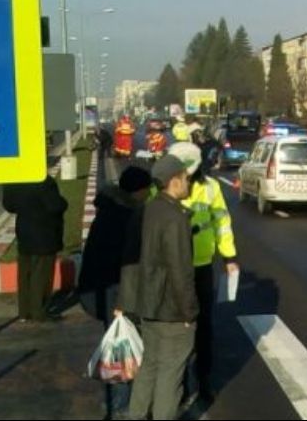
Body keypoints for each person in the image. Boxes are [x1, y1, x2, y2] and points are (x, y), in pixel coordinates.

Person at [117, 148, 202, 421]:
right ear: (175, 180)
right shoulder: (175, 217)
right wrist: (189, 312)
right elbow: (181, 271)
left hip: (148, 305)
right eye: (186, 178)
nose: (188, 183)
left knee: (149, 366)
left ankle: (137, 415)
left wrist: (126, 302)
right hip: (172, 309)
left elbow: (129, 260)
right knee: (170, 374)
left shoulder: (145, 210)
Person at [77, 166, 151, 418]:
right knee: (122, 346)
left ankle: (114, 403)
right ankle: (120, 406)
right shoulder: (124, 216)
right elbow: (125, 258)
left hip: (100, 286)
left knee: (119, 344)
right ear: (139, 190)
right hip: (114, 289)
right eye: (147, 189)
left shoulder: (109, 210)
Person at [168, 142, 238, 404]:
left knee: (203, 327)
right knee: (176, 327)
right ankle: (180, 383)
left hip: (201, 265)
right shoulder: (163, 185)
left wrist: (229, 256)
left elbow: (222, 222)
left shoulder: (210, 187)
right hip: (173, 267)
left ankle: (203, 380)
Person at [2, 176, 68, 323]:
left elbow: (8, 205)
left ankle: (24, 311)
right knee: (42, 273)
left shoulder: (13, 179)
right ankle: (40, 311)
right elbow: (54, 205)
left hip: (24, 230)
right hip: (45, 232)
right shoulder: (44, 181)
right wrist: (64, 203)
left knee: (25, 272)